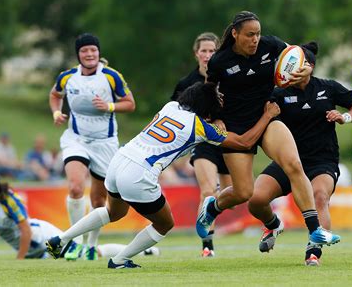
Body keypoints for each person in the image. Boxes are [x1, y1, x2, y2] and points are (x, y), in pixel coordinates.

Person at [46, 82, 281, 269]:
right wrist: (267, 115)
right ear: (208, 107)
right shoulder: (199, 126)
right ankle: (119, 260)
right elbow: (244, 142)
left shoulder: (170, 108)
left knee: (113, 212)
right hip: (139, 172)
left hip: (120, 159)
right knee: (164, 223)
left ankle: (62, 239)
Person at [196, 11, 341, 250]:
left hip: (268, 117)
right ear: (235, 34)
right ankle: (213, 207)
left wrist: (304, 68)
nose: (255, 39)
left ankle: (315, 230)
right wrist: (217, 119)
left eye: (258, 34)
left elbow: (296, 54)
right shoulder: (219, 61)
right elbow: (208, 94)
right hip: (236, 126)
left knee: (294, 164)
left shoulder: (269, 45)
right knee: (244, 192)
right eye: (249, 35)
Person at [247, 42, 352, 266]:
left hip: (322, 161)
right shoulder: (278, 93)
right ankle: (273, 224)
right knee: (255, 200)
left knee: (319, 196)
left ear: (308, 67)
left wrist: (345, 117)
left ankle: (313, 253)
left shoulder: (328, 87)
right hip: (287, 161)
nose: (289, 71)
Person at [48, 33, 136, 261]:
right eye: (85, 51)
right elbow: (55, 95)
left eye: (93, 50)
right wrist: (56, 112)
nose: (89, 54)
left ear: (98, 52)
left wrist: (108, 106)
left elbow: (130, 104)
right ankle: (74, 244)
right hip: (75, 139)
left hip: (105, 144)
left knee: (99, 201)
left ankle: (91, 245)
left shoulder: (111, 76)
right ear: (78, 54)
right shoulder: (68, 77)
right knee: (76, 187)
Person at [0, 170, 159, 260]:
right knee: (85, 255)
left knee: (87, 255)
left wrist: (20, 259)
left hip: (43, 238)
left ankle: (145, 251)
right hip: (33, 251)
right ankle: (143, 251)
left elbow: (25, 230)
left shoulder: (8, 201)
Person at [171, 32, 232, 257]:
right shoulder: (186, 84)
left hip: (229, 142)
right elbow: (176, 115)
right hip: (204, 143)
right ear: (196, 54)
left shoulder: (229, 77)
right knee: (208, 191)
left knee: (235, 195)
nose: (207, 55)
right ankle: (207, 246)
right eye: (204, 51)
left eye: (212, 51)